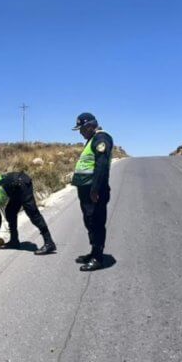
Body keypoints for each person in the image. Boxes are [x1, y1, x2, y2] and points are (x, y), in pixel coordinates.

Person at [0, 172, 56, 255]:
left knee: (33, 214)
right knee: (10, 212)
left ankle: (49, 243)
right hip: (15, 189)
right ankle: (14, 241)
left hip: (20, 183)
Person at [71, 113, 114, 271]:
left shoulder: (101, 139)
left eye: (81, 129)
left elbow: (101, 166)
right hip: (86, 190)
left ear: (90, 126)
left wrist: (95, 189)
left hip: (94, 191)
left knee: (96, 222)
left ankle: (98, 258)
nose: (80, 132)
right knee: (89, 221)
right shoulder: (91, 140)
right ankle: (93, 252)